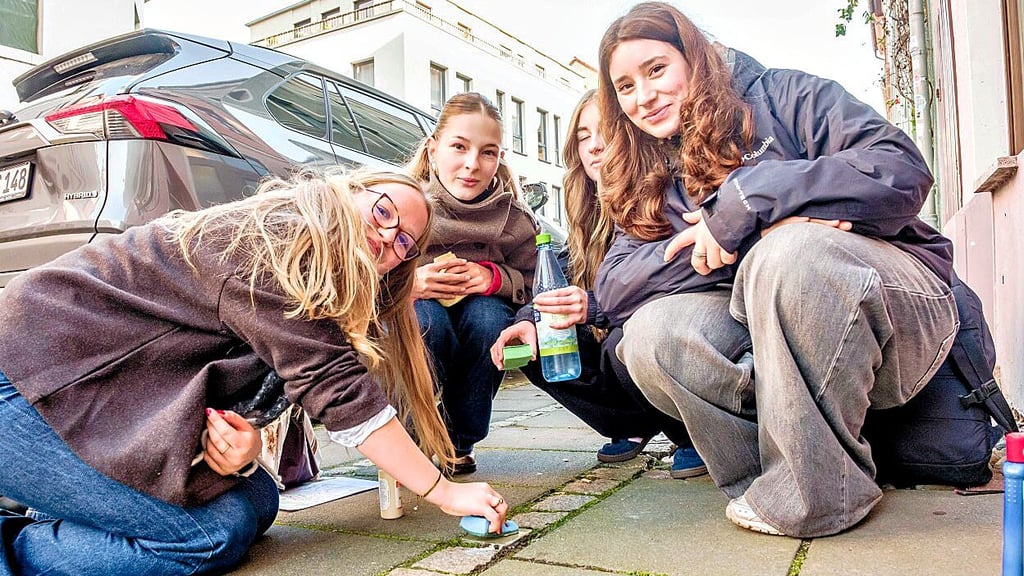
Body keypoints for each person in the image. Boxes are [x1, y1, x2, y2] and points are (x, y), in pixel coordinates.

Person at [0, 169, 509, 575]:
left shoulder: (317, 275)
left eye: (403, 244)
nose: (387, 236)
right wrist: (443, 491)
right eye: (383, 211)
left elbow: (178, 369)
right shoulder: (278, 241)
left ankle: (64, 509)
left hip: (82, 400)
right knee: (208, 535)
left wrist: (240, 452)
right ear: (347, 192)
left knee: (258, 496)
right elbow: (338, 391)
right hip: (23, 384)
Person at [593, 2, 958, 538]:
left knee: (789, 253)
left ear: (694, 56)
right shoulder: (649, 166)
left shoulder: (786, 95)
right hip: (764, 323)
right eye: (624, 86)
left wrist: (752, 201)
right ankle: (763, 479)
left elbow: (901, 168)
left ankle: (818, 496)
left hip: (902, 301)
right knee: (651, 334)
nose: (643, 97)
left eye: (656, 70)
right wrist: (737, 239)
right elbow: (615, 286)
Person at [489, 89, 706, 477]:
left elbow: (673, 276)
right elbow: (557, 273)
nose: (594, 145)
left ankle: (691, 434)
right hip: (617, 341)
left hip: (672, 336)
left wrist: (596, 305)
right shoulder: (585, 208)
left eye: (605, 130)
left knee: (627, 336)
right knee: (536, 338)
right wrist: (527, 318)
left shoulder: (664, 189)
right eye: (583, 136)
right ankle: (631, 424)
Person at [406, 92, 539, 475]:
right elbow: (365, 270)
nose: (471, 165)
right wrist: (410, 282)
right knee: (426, 322)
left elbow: (536, 283)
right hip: (417, 307)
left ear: (499, 160)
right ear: (433, 150)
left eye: (487, 152)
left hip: (486, 307)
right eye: (459, 147)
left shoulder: (513, 218)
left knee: (488, 323)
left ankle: (458, 439)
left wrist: (493, 277)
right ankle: (412, 431)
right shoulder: (405, 202)